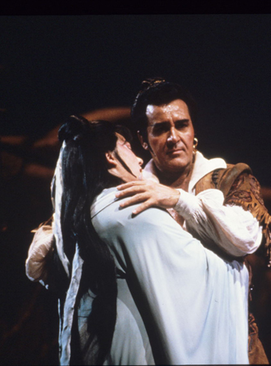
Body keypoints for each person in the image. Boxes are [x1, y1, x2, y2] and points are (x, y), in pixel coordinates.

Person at [26, 115, 255, 364]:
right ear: (109, 157)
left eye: (181, 125)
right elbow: (196, 272)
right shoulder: (130, 208)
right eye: (127, 147)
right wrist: (237, 270)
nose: (138, 159)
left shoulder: (85, 211)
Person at [115, 77, 271, 363]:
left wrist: (178, 200)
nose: (173, 137)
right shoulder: (129, 187)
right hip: (157, 341)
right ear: (143, 140)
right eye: (161, 129)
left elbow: (246, 237)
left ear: (193, 131)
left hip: (228, 338)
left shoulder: (228, 178)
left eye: (181, 125)